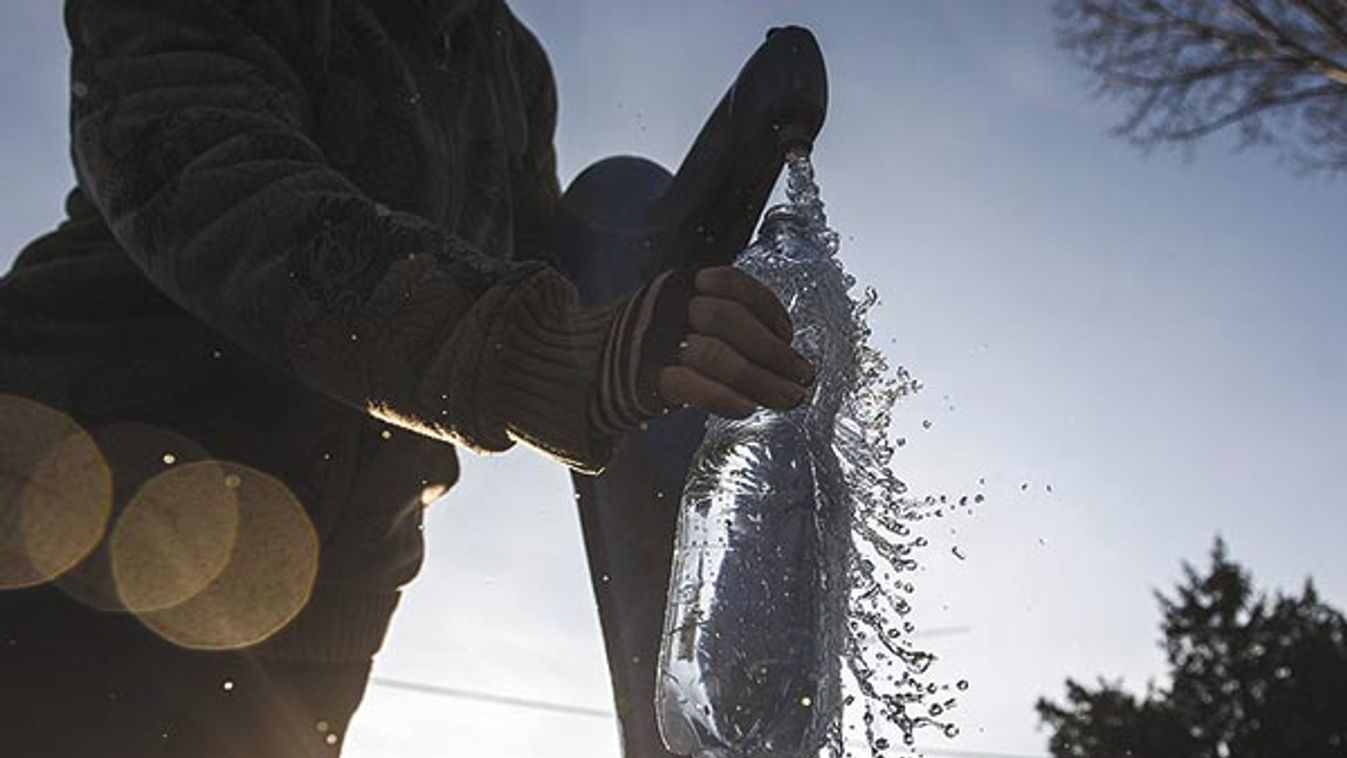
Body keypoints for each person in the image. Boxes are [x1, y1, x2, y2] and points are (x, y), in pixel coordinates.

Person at [0, 1, 813, 756]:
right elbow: (204, 183)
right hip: (69, 505)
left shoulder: (508, 64)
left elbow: (524, 272)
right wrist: (557, 353)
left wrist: (651, 304)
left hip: (320, 592)